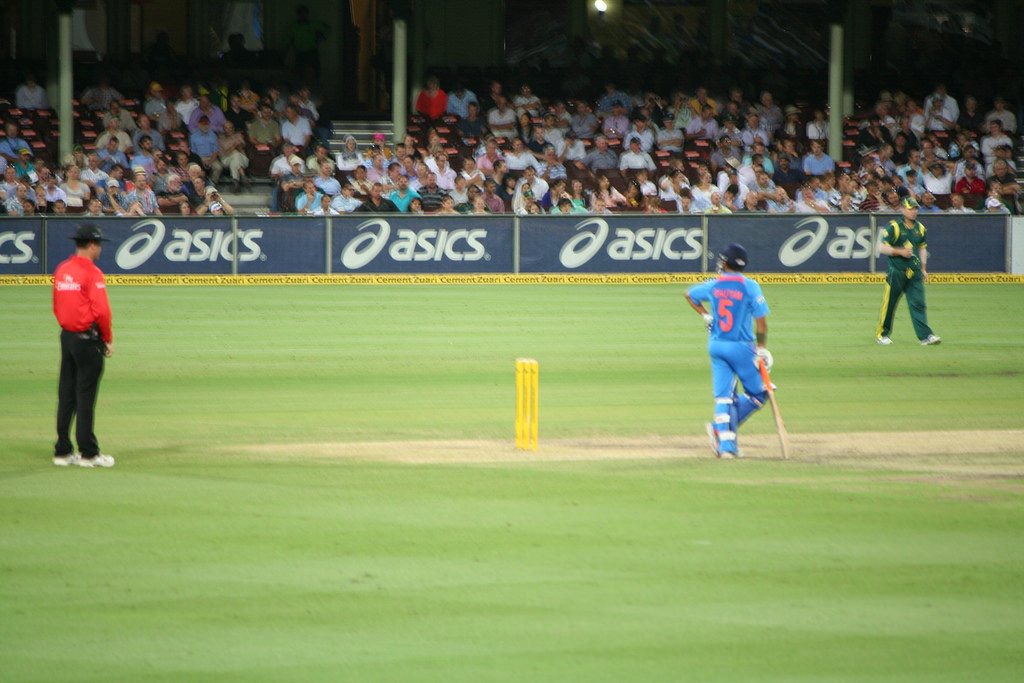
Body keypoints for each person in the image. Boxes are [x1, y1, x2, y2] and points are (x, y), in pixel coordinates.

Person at [685, 243, 772, 459]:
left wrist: (706, 316)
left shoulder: (715, 284)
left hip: (716, 345)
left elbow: (689, 295)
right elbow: (761, 324)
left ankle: (725, 446)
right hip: (741, 346)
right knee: (759, 392)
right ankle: (720, 430)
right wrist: (761, 349)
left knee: (724, 398)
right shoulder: (750, 286)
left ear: (725, 263)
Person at [52, 224, 116, 468]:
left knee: (66, 393)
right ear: (91, 245)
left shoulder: (62, 269)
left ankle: (63, 450)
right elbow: (102, 311)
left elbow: (57, 306)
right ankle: (89, 453)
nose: (100, 249)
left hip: (67, 337)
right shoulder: (92, 273)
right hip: (87, 339)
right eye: (98, 245)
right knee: (85, 396)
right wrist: (107, 338)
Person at [876, 197, 941, 346]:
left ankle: (925, 336)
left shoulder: (920, 228)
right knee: (890, 303)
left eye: (915, 209)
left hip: (915, 272)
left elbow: (922, 248)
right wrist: (900, 252)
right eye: (910, 209)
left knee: (918, 303)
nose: (913, 212)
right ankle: (882, 334)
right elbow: (882, 248)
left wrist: (924, 269)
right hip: (897, 270)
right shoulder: (894, 227)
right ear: (903, 209)